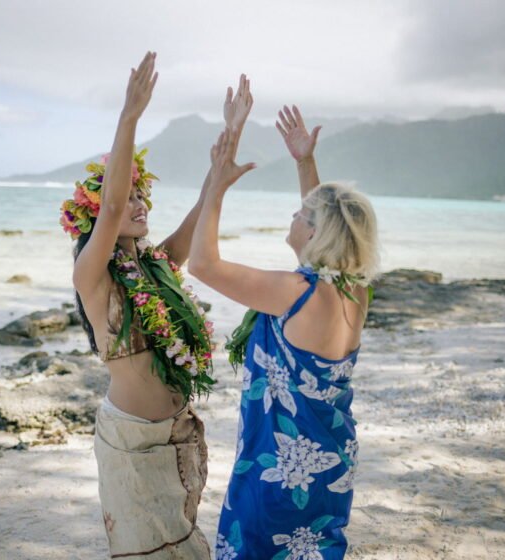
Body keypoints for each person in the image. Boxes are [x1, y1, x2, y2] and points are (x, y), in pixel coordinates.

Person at [66, 51, 253, 558]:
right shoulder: (93, 277)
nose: (138, 202)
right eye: (129, 196)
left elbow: (196, 219)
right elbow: (110, 206)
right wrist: (129, 117)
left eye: (142, 195)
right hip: (132, 441)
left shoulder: (157, 266)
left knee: (184, 546)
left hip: (177, 433)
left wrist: (223, 158)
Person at [188, 105, 379, 559]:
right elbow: (329, 224)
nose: (293, 216)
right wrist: (303, 162)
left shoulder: (295, 292)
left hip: (283, 459)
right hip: (329, 453)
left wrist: (216, 185)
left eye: (301, 214)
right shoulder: (354, 291)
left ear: (314, 232)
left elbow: (202, 265)